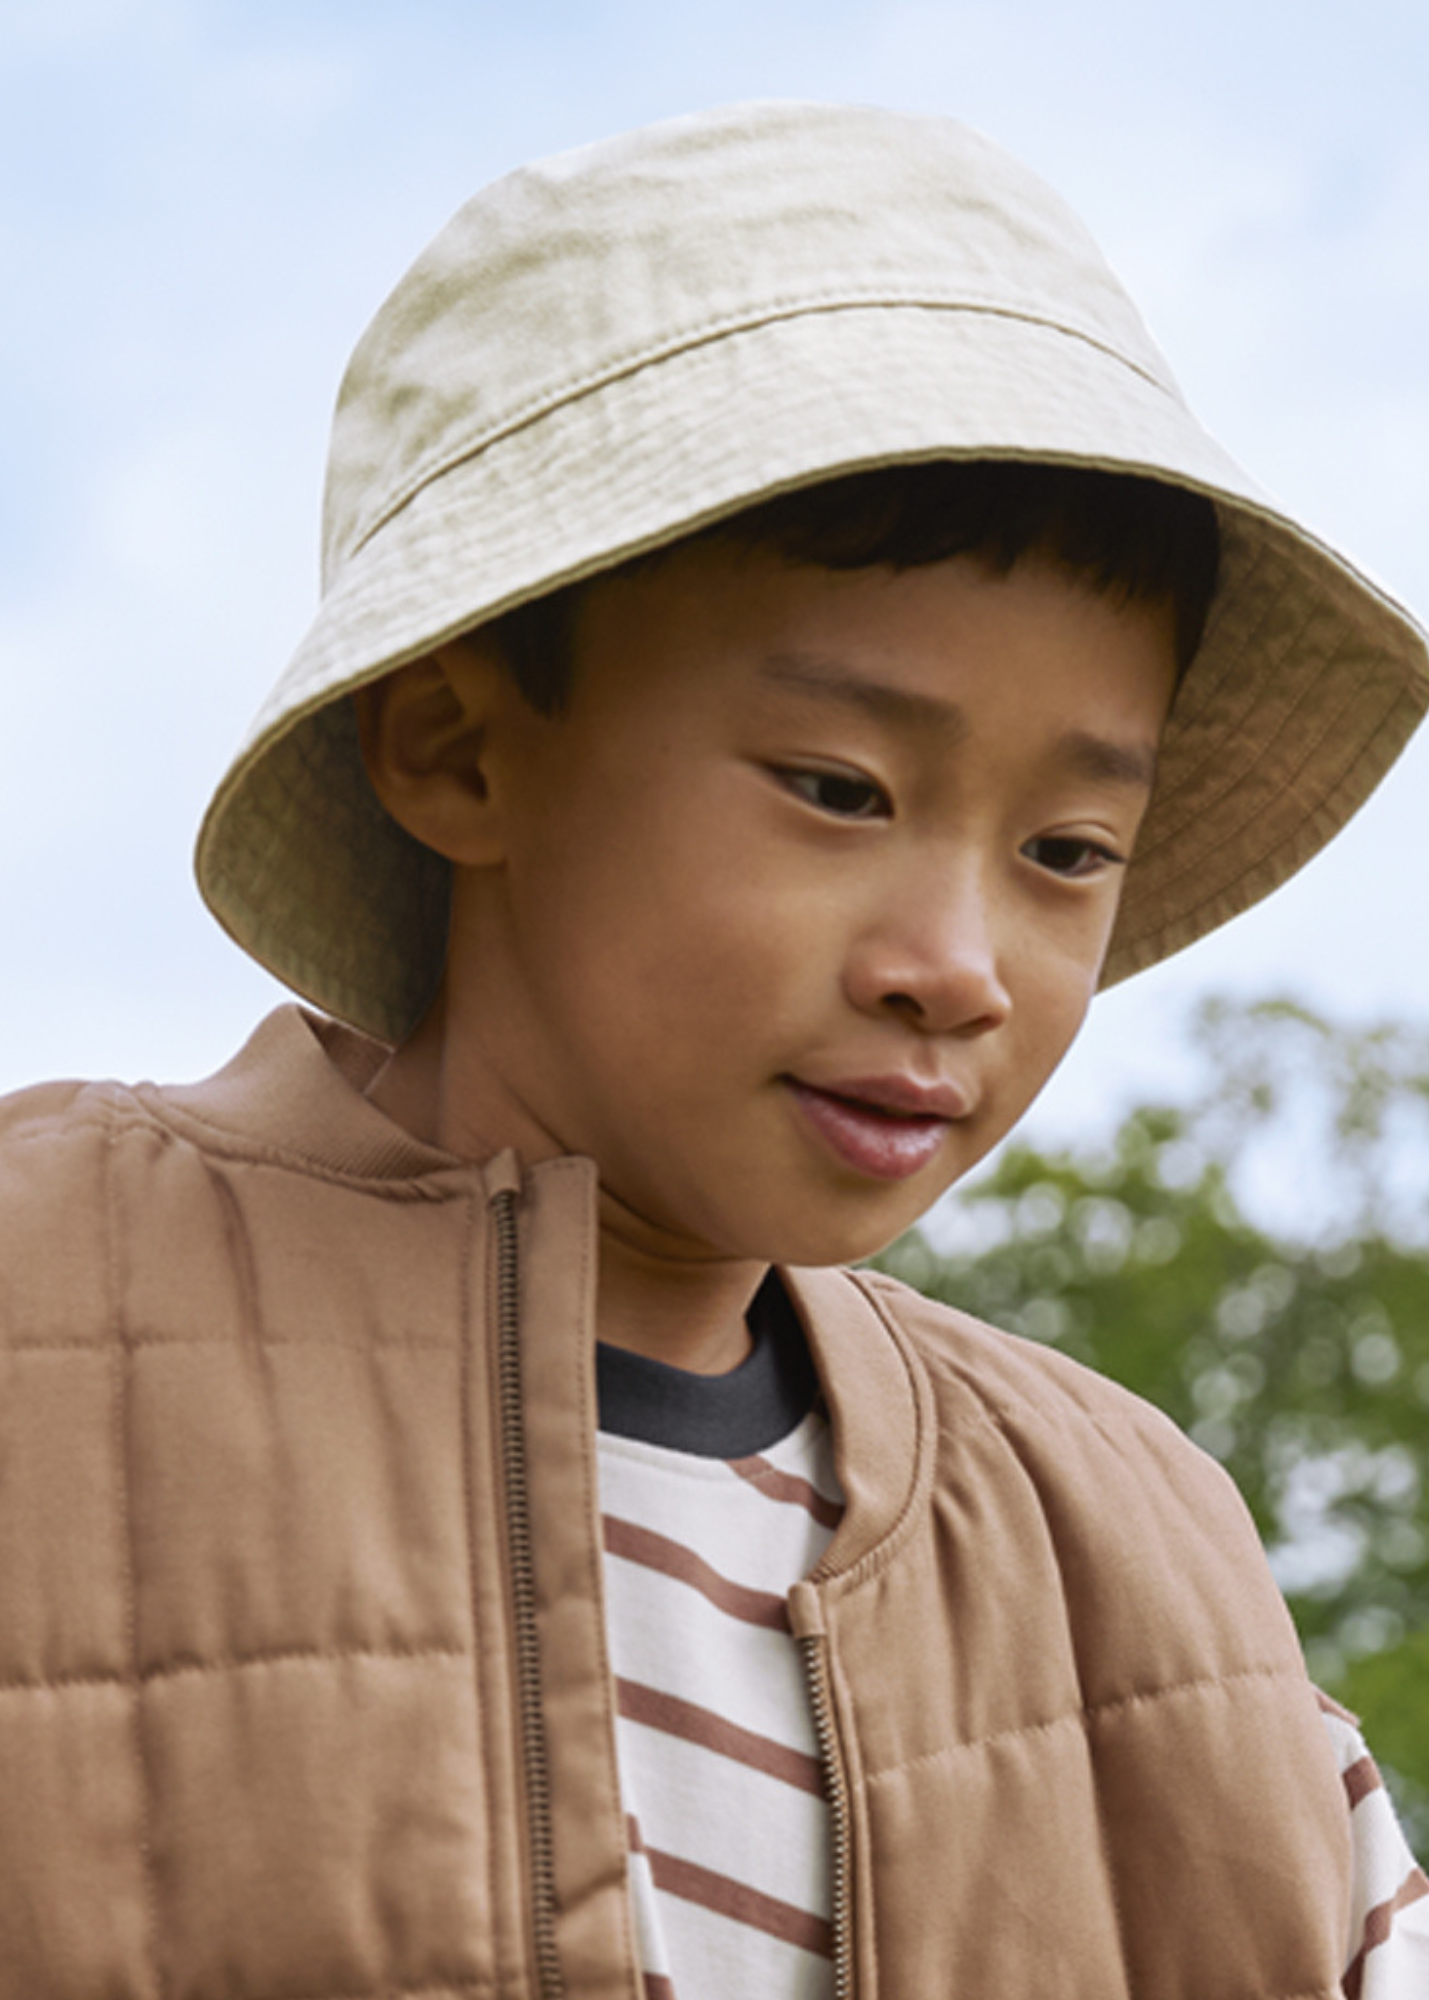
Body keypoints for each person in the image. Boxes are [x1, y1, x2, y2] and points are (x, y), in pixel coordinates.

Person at [1, 101, 1425, 1999]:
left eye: (1068, 852)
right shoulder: (46, 1326)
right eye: (839, 789)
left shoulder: (1152, 1575)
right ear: (459, 745)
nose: (959, 967)